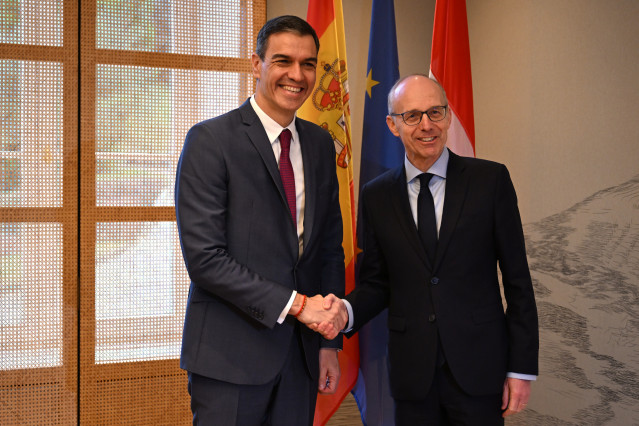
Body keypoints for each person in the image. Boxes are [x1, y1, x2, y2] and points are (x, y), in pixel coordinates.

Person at [322, 74, 539, 425]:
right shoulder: (377, 196)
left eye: (435, 113)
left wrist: (522, 368)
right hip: (413, 376)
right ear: (393, 125)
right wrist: (345, 310)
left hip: (479, 369)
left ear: (448, 117)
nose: (427, 125)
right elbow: (378, 283)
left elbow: (518, 281)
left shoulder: (491, 181)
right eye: (412, 116)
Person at [174, 15, 346, 425]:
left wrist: (329, 344)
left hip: (300, 358)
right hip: (229, 358)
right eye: (283, 60)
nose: (297, 75)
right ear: (256, 64)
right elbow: (206, 259)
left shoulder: (321, 144)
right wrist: (298, 305)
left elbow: (327, 249)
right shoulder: (211, 141)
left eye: (308, 64)